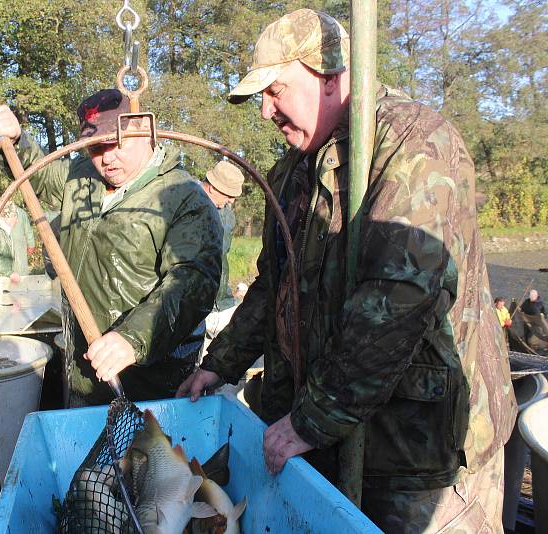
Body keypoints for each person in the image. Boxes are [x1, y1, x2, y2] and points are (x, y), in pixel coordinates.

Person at [177, 9, 516, 532]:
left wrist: (313, 419)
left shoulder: (413, 144)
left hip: (421, 451)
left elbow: (397, 299)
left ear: (332, 78)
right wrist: (219, 363)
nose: (266, 112)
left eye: (277, 92)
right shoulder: (289, 174)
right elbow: (273, 286)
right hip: (335, 437)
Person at [0, 88, 222, 406]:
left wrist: (132, 339)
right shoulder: (83, 177)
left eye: (114, 143)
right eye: (96, 147)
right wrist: (15, 143)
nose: (106, 158)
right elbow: (38, 176)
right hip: (83, 368)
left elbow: (192, 281)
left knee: (151, 452)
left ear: (143, 131)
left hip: (151, 379)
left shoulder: (183, 197)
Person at [200, 160, 245, 354]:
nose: (232, 201)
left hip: (221, 300)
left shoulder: (226, 213)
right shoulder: (187, 204)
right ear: (211, 187)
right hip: (195, 303)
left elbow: (221, 257)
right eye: (229, 194)